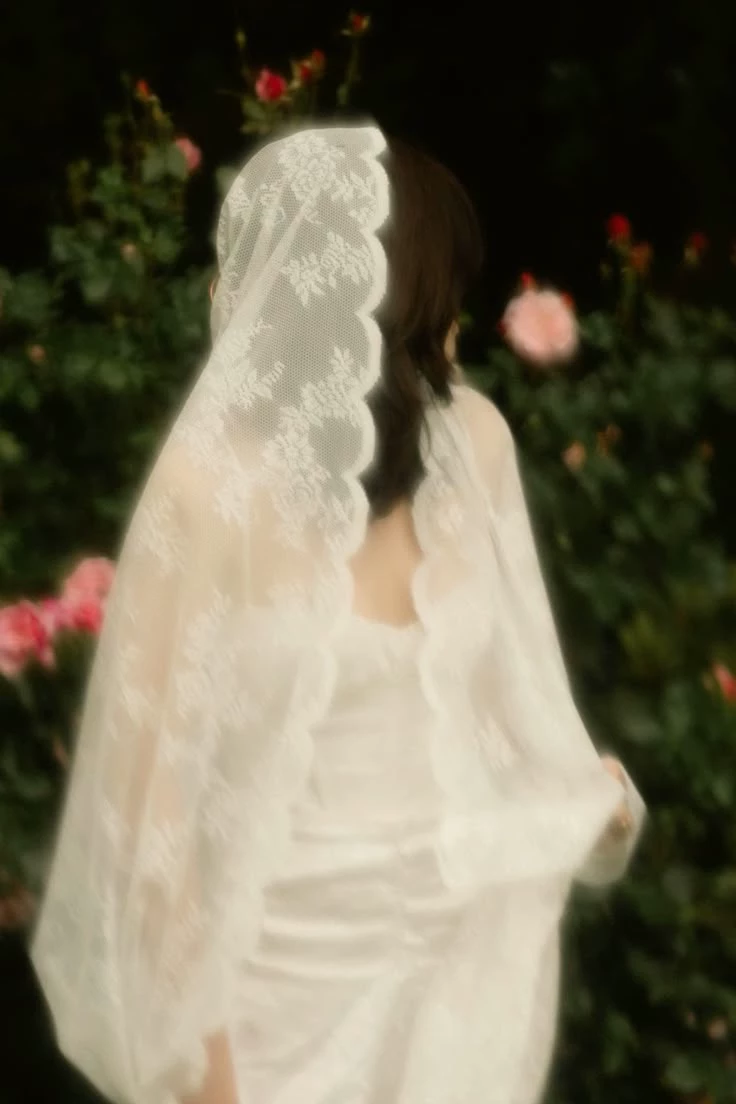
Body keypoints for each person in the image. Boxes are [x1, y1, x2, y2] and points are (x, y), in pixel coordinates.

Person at [30, 123, 646, 1104]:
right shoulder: (208, 486)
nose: (460, 324)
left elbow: (515, 699)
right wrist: (212, 1083)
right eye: (447, 296)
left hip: (452, 1005)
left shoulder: (474, 445)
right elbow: (153, 823)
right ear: (390, 298)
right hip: (268, 1019)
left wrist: (580, 799)